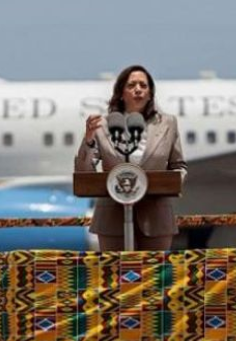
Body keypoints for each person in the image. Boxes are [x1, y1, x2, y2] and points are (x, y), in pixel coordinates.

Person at [75, 65, 187, 251]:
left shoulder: (167, 123)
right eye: (132, 85)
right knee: (115, 277)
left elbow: (179, 166)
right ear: (121, 92)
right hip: (112, 217)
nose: (138, 89)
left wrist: (167, 184)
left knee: (153, 278)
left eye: (143, 85)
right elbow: (85, 173)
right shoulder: (102, 125)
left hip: (155, 217)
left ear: (150, 93)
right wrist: (88, 140)